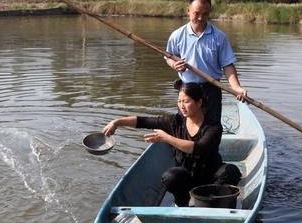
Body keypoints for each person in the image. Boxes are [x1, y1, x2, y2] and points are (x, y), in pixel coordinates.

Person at [102, 81, 241, 207]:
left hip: (211, 176)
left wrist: (167, 138)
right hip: (188, 176)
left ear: (199, 103)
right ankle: (182, 204)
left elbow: (199, 149)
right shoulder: (175, 122)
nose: (182, 106)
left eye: (186, 101)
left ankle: (210, 198)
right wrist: (117, 122)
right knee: (171, 176)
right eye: (179, 101)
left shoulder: (213, 126)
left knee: (231, 171)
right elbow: (143, 121)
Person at [165, 0, 247, 125]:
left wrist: (236, 87)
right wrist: (174, 64)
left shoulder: (219, 37)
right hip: (187, 90)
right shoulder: (177, 35)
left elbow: (228, 66)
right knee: (184, 128)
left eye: (205, 14)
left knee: (211, 128)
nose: (200, 18)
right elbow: (168, 57)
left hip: (211, 88)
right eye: (196, 13)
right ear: (188, 11)